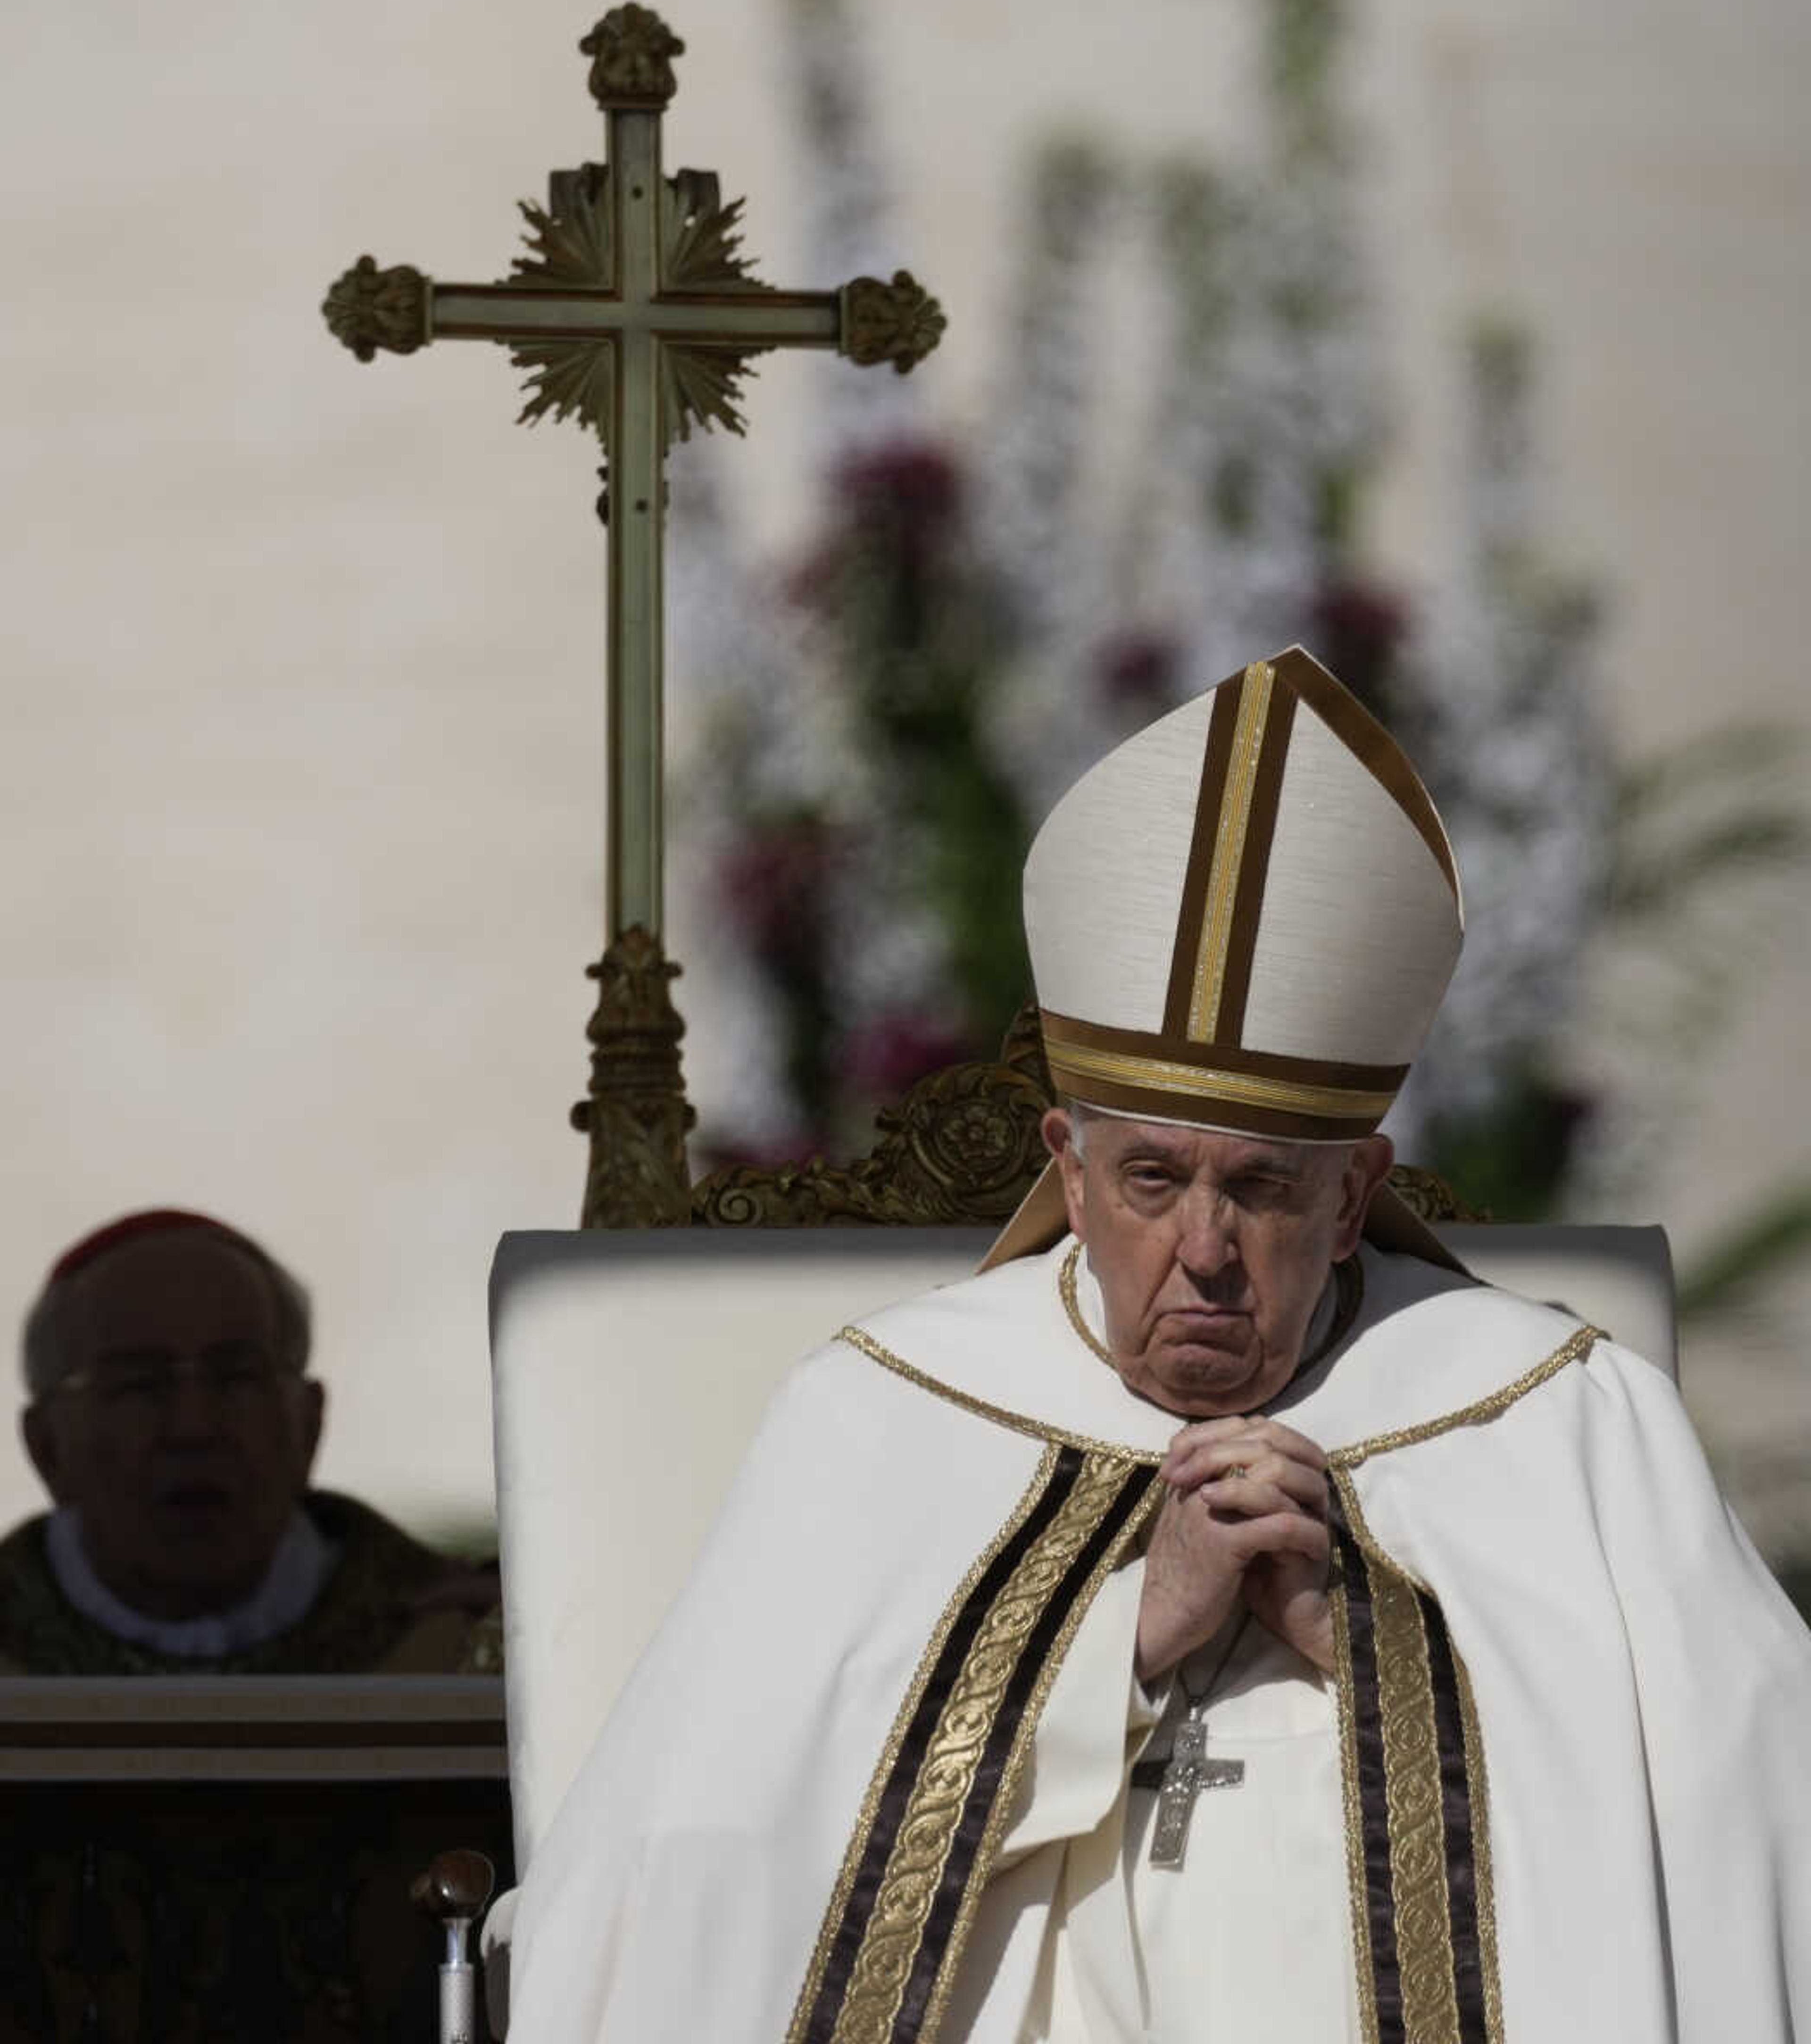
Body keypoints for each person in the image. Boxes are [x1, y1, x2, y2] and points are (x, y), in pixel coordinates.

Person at [505, 646, 1811, 2042]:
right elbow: (686, 1862)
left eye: (1257, 1187)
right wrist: (1108, 1641)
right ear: (1064, 1170)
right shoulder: (875, 1417)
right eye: (1147, 1181)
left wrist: (1370, 1645)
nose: (1201, 1247)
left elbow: (1740, 1840)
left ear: (1355, 1192)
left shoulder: (1568, 1425)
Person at [2, 1207, 497, 1673]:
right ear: (47, 1447)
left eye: (237, 1376)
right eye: (139, 1384)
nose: (193, 1427)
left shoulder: (461, 1638)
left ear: (308, 1424)